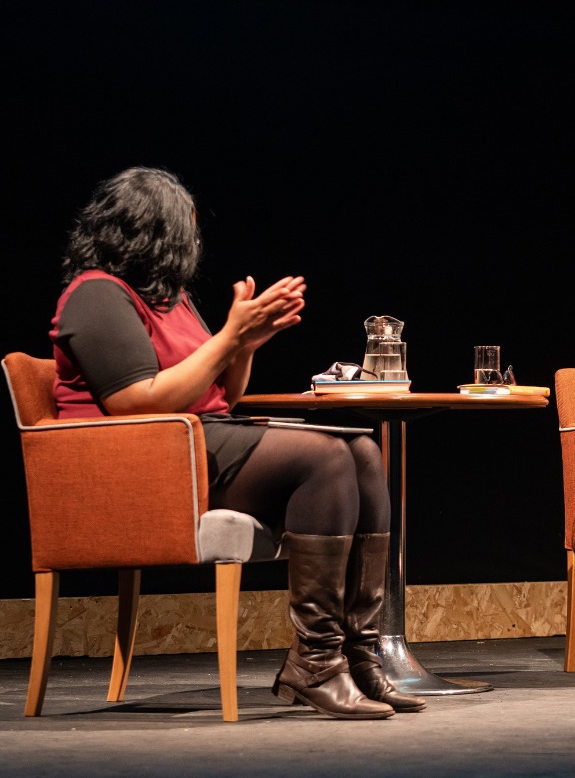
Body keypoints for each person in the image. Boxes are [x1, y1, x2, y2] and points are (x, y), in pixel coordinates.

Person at [49, 166, 427, 718]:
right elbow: (138, 401)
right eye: (187, 233)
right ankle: (315, 663)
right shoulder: (96, 295)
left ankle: (357, 653)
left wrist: (245, 343)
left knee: (363, 453)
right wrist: (229, 335)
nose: (193, 247)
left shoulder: (170, 299)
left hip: (197, 438)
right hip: (146, 460)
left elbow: (224, 393)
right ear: (152, 231)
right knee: (323, 458)